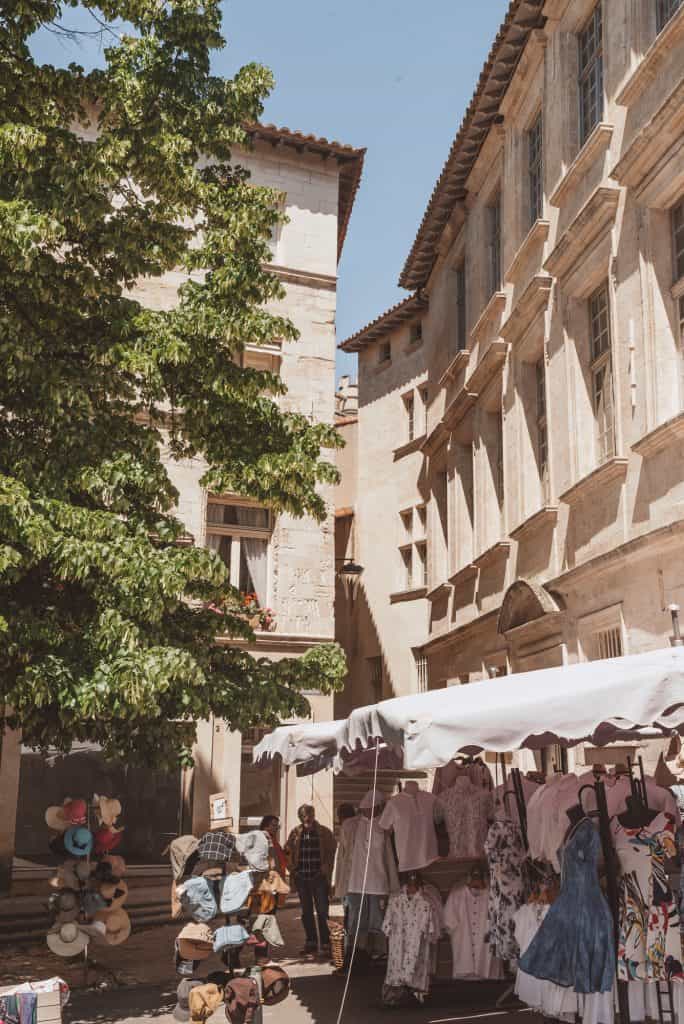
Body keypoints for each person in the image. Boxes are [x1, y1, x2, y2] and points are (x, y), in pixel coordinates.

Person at [285, 803, 336, 961]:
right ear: (300, 817)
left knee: (322, 911)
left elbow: (331, 852)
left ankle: (326, 942)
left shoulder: (325, 832)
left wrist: (325, 870)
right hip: (302, 878)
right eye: (303, 815)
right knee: (306, 912)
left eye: (308, 814)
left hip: (318, 877)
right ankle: (311, 941)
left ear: (313, 815)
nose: (306, 818)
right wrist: (293, 870)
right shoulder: (295, 833)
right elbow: (287, 852)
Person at [260, 814, 288, 879]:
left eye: (277, 826)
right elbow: (271, 861)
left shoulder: (273, 839)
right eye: (274, 825)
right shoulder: (264, 838)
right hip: (271, 879)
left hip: (277, 877)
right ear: (265, 826)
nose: (277, 828)